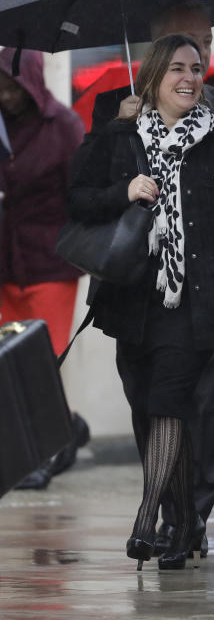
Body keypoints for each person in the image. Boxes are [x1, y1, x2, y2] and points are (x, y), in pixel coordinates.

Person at [73, 0, 214, 556]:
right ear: (153, 72)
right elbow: (79, 199)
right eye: (177, 66)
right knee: (151, 408)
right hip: (135, 298)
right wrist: (124, 189)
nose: (190, 74)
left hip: (198, 300)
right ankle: (183, 530)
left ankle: (148, 517)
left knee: (172, 404)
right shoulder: (120, 131)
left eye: (197, 65)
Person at [0, 47, 90, 490]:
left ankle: (39, 456)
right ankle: (68, 428)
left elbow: (81, 196)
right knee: (8, 366)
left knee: (40, 363)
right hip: (5, 263)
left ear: (31, 84)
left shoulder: (64, 127)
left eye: (12, 86)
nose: (5, 94)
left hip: (50, 263)